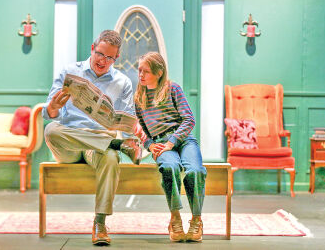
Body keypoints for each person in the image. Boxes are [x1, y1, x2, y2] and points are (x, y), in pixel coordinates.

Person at [42, 30, 142, 246]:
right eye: (100, 54)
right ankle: (115, 144)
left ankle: (100, 223)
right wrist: (54, 107)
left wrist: (133, 128)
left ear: (116, 58)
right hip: (69, 144)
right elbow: (49, 112)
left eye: (110, 58)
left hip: (97, 145)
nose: (103, 61)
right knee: (51, 130)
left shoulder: (122, 82)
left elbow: (127, 121)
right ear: (92, 49)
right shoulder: (70, 71)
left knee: (111, 157)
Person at [134, 52, 207, 243]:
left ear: (159, 73)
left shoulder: (172, 88)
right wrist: (150, 145)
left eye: (146, 71)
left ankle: (197, 220)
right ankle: (175, 218)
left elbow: (189, 119)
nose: (140, 75)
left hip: (183, 140)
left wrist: (171, 142)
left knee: (195, 171)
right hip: (160, 143)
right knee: (169, 168)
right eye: (139, 70)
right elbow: (141, 128)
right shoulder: (139, 97)